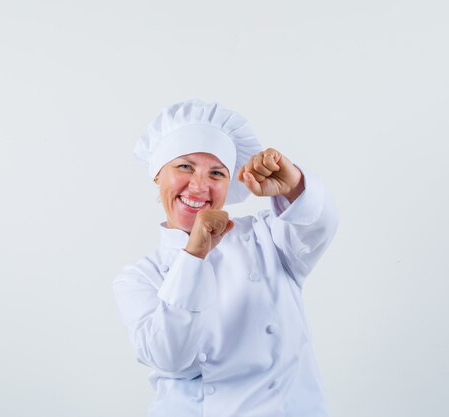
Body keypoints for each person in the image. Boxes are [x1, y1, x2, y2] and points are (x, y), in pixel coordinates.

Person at [112, 99, 339, 417]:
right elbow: (170, 356)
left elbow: (316, 226)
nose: (199, 185)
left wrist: (295, 187)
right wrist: (195, 254)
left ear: (228, 185)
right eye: (185, 166)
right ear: (157, 175)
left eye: (216, 173)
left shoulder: (266, 239)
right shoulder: (138, 278)